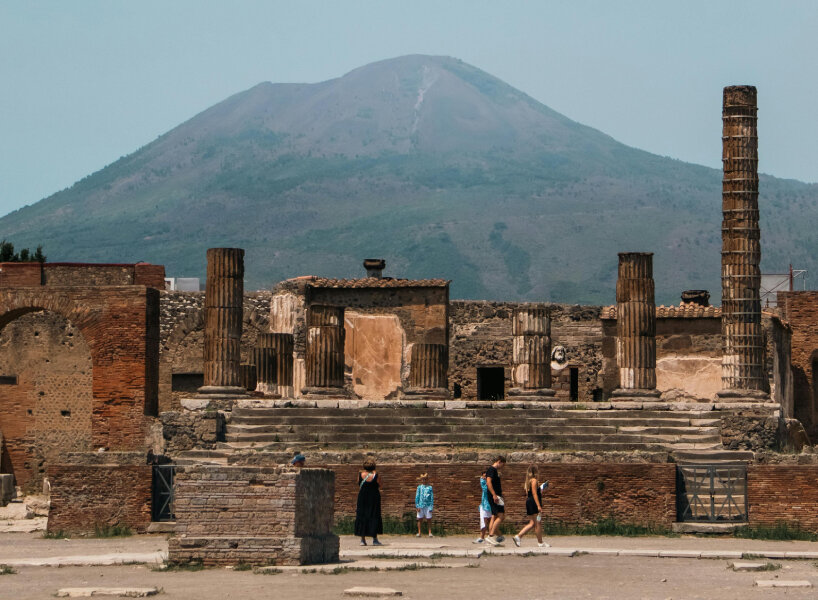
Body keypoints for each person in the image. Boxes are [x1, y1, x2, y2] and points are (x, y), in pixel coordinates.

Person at [512, 465, 550, 548]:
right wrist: (539, 505)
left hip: (529, 502)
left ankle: (518, 537)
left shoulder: (527, 481)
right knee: (538, 523)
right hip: (534, 502)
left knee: (532, 523)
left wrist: (540, 490)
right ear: (535, 472)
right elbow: (534, 493)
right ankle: (540, 543)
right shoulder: (534, 481)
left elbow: (529, 493)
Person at [354, 458, 383, 546]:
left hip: (362, 498)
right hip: (374, 498)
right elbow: (380, 485)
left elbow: (358, 483)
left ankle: (362, 540)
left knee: (362, 516)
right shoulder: (376, 475)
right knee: (374, 516)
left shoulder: (360, 474)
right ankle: (375, 539)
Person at [484, 455, 507, 545]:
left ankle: (495, 536)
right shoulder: (492, 470)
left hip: (496, 495)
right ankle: (491, 536)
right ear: (499, 461)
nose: (503, 467)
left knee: (494, 516)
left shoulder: (494, 471)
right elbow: (488, 482)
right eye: (503, 465)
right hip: (495, 496)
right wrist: (494, 495)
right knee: (501, 516)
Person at [473, 468, 493, 544]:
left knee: (490, 520)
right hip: (484, 504)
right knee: (484, 521)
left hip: (489, 504)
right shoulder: (484, 482)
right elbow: (484, 489)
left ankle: (490, 536)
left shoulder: (490, 483)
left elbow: (486, 489)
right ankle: (482, 537)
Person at [414, 473, 434, 537]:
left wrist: (431, 506)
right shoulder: (419, 487)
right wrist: (417, 506)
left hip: (428, 505)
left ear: (427, 480)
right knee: (419, 519)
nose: (424, 481)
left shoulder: (430, 487)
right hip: (420, 505)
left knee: (429, 519)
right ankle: (419, 533)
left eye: (425, 479)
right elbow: (417, 496)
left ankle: (430, 532)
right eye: (423, 479)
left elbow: (431, 497)